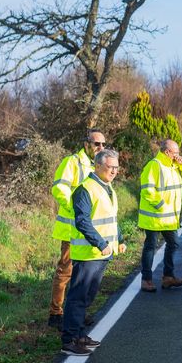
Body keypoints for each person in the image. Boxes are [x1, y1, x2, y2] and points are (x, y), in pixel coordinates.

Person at [62, 149, 125, 356]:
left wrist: (120, 240)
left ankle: (80, 335)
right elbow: (83, 222)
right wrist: (100, 243)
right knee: (78, 297)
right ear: (97, 166)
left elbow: (111, 219)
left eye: (116, 167)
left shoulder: (107, 188)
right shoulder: (85, 189)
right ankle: (69, 340)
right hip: (88, 253)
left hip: (101, 253)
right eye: (110, 167)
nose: (114, 171)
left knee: (87, 297)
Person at [48, 129, 107, 330]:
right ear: (86, 144)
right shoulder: (72, 162)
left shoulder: (98, 166)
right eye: (97, 144)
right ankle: (56, 313)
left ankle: (76, 313)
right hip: (71, 228)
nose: (101, 148)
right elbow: (59, 188)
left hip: (89, 230)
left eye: (103, 144)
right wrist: (75, 208)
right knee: (65, 271)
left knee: (82, 275)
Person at [138, 139, 182, 292]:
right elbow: (147, 190)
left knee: (174, 243)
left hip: (169, 218)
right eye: (176, 152)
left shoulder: (175, 165)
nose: (178, 155)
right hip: (154, 217)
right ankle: (146, 280)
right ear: (167, 152)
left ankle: (168, 277)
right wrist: (161, 206)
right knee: (150, 247)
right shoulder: (154, 165)